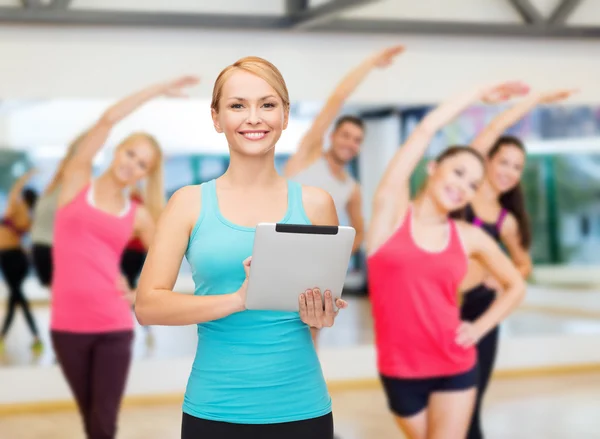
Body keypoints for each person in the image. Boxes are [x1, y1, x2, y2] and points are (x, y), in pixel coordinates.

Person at [135, 56, 348, 439]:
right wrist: (240, 298)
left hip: (303, 410)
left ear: (285, 115)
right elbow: (149, 306)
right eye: (238, 105)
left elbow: (320, 318)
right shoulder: (188, 202)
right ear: (216, 118)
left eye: (267, 104)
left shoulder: (317, 204)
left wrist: (322, 314)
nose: (254, 118)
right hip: (214, 411)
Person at [366, 81, 528, 439]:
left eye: (472, 185)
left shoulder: (468, 235)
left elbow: (516, 285)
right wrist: (477, 94)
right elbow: (426, 129)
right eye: (458, 173)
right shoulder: (391, 216)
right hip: (400, 369)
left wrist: (480, 328)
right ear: (434, 166)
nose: (463, 187)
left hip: (455, 362)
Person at [49, 77, 189, 439]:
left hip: (113, 324)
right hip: (66, 325)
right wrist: (158, 90)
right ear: (117, 151)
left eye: (142, 164)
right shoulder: (78, 180)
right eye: (130, 154)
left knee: (103, 423)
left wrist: (141, 293)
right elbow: (108, 118)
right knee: (90, 416)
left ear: (145, 174)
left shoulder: (138, 214)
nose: (132, 165)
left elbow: (168, 255)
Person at [459, 88, 576, 439]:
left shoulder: (507, 221)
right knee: (444, 400)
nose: (509, 171)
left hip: (482, 310)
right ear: (488, 160)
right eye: (503, 161)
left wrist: (500, 280)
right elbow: (490, 130)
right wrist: (533, 101)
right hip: (445, 304)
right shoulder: (462, 191)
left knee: (472, 401)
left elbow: (523, 265)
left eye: (517, 166)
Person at [285, 45, 404, 351]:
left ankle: (301, 391)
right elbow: (336, 99)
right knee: (272, 332)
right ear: (332, 135)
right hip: (281, 255)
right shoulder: (308, 156)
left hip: (317, 268)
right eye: (346, 135)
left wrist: (335, 258)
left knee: (311, 335)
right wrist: (369, 64)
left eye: (358, 140)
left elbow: (360, 229)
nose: (351, 143)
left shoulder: (351, 187)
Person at [30, 133, 85, 288]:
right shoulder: (55, 189)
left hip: (43, 246)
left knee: (59, 291)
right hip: (47, 246)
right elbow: (66, 164)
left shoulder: (53, 191)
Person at [0, 169, 42, 353]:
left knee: (16, 297)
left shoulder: (16, 208)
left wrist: (26, 177)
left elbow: (13, 191)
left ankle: (7, 336)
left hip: (10, 258)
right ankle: (35, 336)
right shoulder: (30, 216)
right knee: (16, 297)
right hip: (16, 258)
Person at [120, 187, 158, 344]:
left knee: (127, 289)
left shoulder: (134, 203)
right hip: (130, 251)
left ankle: (131, 328)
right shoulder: (129, 202)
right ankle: (142, 328)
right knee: (128, 287)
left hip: (134, 252)